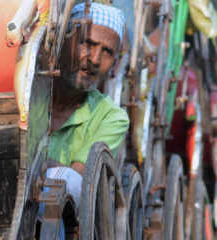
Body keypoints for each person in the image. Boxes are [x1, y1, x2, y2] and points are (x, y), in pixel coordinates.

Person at [38, 3, 130, 238]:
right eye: (88, 44)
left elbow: (77, 182)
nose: (95, 59)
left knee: (54, 198)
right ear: (63, 42)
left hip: (58, 217)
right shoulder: (30, 93)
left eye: (107, 52)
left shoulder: (112, 116)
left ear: (114, 64)